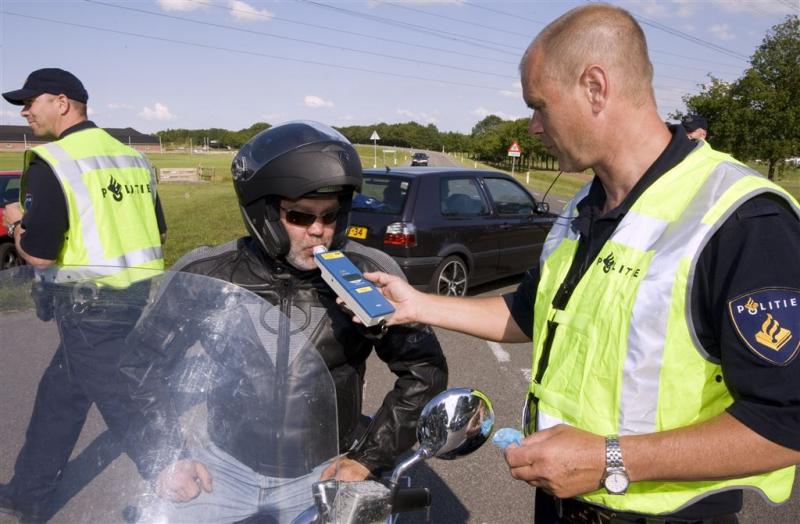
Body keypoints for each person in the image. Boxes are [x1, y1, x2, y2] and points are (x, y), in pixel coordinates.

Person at [357, 4, 800, 523]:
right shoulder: (584, 206)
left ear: (595, 87)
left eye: (539, 105)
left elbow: (784, 423)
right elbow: (528, 314)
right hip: (562, 504)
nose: (534, 126)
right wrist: (417, 305)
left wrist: (608, 459)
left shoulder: (742, 219)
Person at [120, 120, 448, 523]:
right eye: (299, 216)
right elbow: (139, 366)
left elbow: (424, 371)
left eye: (331, 216)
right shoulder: (206, 273)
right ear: (264, 214)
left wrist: (367, 458)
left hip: (325, 468)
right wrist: (164, 456)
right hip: (221, 466)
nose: (319, 232)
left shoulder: (369, 274)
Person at [0, 68, 167, 522]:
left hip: (88, 308)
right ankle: (28, 492)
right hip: (133, 298)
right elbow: (159, 231)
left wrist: (16, 222)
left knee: (123, 404)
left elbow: (37, 255)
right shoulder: (132, 158)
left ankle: (178, 482)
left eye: (31, 100)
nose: (24, 109)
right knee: (60, 395)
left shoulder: (55, 160)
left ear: (62, 101)